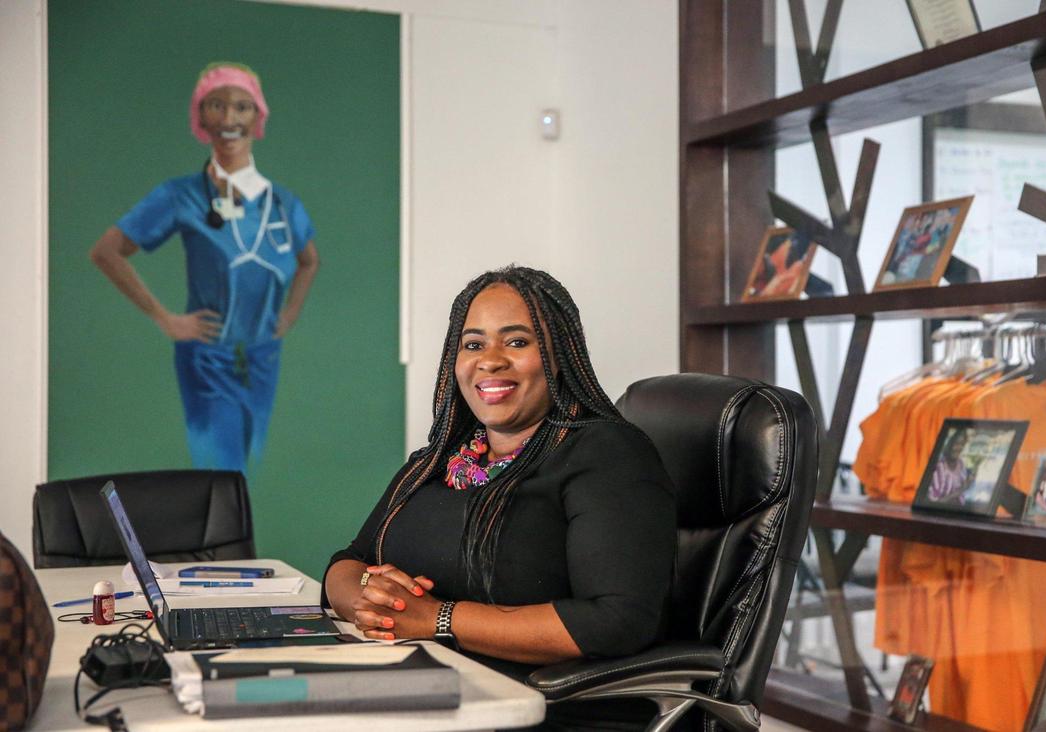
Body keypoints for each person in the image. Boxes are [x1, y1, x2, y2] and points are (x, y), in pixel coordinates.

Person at [322, 266, 676, 729]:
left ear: (558, 355)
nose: (490, 360)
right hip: (417, 692)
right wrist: (371, 604)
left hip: (535, 712)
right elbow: (348, 563)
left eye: (516, 342)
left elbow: (615, 620)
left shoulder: (606, 453)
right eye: (473, 344)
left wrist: (438, 618)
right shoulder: (438, 459)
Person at [90, 62, 319, 473]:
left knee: (253, 469)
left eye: (242, 106)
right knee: (218, 476)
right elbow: (107, 251)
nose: (229, 118)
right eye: (216, 105)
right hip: (207, 357)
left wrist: (288, 315)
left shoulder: (283, 203)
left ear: (258, 117)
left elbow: (309, 260)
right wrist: (164, 318)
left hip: (263, 356)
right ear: (201, 118)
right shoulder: (181, 196)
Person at [929, 429, 971, 504]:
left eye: (962, 444)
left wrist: (968, 482)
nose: (959, 448)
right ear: (949, 443)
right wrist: (960, 490)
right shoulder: (939, 467)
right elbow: (933, 503)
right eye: (956, 443)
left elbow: (962, 494)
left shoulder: (961, 464)